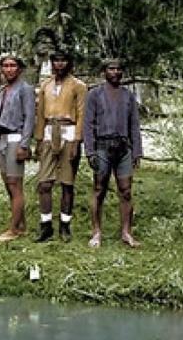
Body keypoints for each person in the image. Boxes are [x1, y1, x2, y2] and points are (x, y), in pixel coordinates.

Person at [82, 58, 143, 248]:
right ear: (104, 72)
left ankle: (126, 232)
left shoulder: (128, 96)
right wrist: (90, 151)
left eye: (118, 69)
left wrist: (137, 152)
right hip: (102, 146)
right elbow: (88, 124)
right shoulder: (94, 95)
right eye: (111, 69)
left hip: (124, 147)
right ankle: (96, 231)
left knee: (125, 191)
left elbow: (134, 124)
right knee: (99, 189)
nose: (115, 72)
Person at [33, 48, 87, 242]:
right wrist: (38, 140)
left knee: (67, 183)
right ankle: (45, 225)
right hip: (49, 132)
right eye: (56, 60)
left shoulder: (78, 86)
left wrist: (76, 142)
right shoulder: (45, 85)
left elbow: (81, 115)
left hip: (69, 132)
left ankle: (65, 226)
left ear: (69, 63)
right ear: (52, 63)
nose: (59, 64)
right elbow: (39, 115)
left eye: (63, 60)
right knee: (44, 183)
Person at [0, 52, 36, 242]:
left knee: (15, 184)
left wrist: (24, 144)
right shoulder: (3, 90)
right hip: (2, 138)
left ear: (19, 68)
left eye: (12, 65)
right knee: (7, 183)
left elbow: (29, 118)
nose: (9, 69)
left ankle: (14, 229)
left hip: (16, 138)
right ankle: (21, 223)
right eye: (5, 66)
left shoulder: (25, 89)